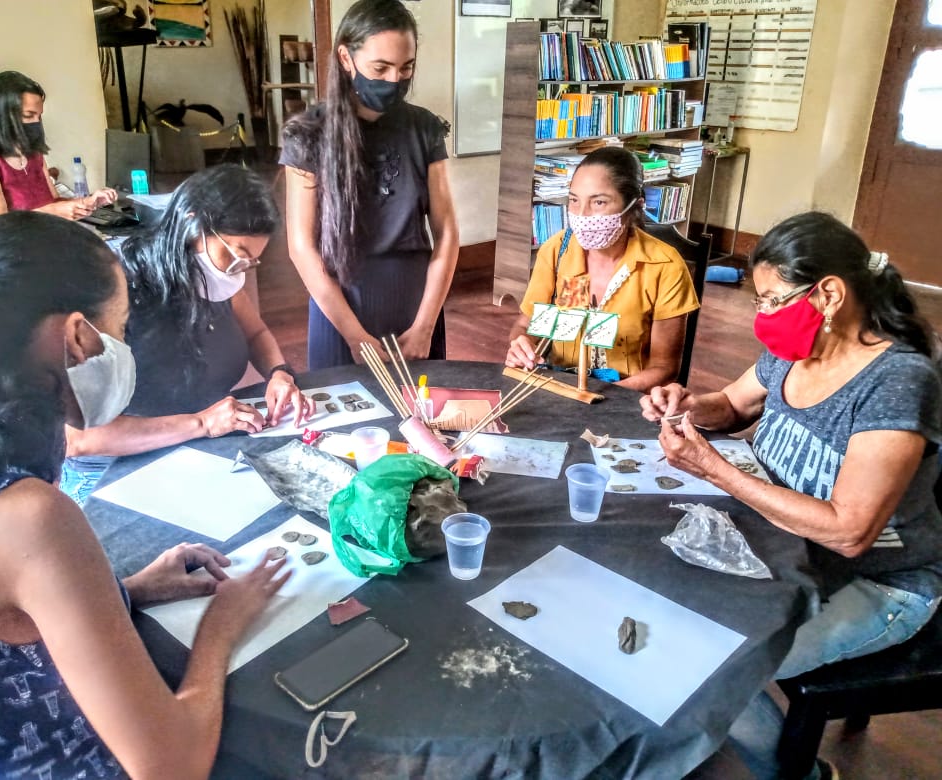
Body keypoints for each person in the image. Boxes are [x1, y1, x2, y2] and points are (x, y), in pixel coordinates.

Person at [0, 212, 291, 778]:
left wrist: (123, 591)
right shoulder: (28, 517)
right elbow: (172, 764)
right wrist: (221, 627)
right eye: (124, 327)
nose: (125, 344)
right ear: (79, 336)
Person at [640, 212, 942, 780]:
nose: (762, 315)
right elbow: (731, 405)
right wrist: (687, 406)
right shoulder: (796, 348)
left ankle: (798, 772)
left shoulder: (897, 382)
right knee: (660, 611)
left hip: (878, 582)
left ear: (828, 294)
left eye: (772, 299)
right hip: (783, 551)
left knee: (701, 668)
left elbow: (850, 531)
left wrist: (714, 469)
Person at [62, 164, 314, 504]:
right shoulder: (117, 291)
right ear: (192, 224)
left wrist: (279, 374)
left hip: (196, 445)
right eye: (236, 255)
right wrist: (201, 424)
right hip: (115, 467)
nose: (237, 272)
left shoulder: (216, 278)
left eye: (250, 263)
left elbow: (255, 332)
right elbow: (78, 438)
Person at [280, 0, 460, 370]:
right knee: (343, 417)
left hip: (415, 301)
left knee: (422, 414)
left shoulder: (424, 129)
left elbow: (446, 235)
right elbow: (301, 246)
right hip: (339, 301)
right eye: (381, 68)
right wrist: (352, 333)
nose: (395, 80)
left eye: (405, 67)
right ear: (346, 59)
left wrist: (425, 326)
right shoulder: (307, 135)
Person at [505, 146, 700, 392]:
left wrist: (605, 398)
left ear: (633, 206)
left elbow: (665, 368)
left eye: (598, 202)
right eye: (574, 200)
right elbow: (525, 325)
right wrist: (520, 344)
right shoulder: (556, 253)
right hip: (559, 388)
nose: (582, 215)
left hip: (627, 397)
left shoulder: (665, 267)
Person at [0, 70, 117, 221]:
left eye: (39, 115)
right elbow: (0, 226)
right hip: (7, 247)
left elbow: (54, 202)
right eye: (28, 115)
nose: (36, 122)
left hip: (44, 238)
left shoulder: (34, 154)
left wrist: (88, 203)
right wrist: (53, 212)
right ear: (1, 116)